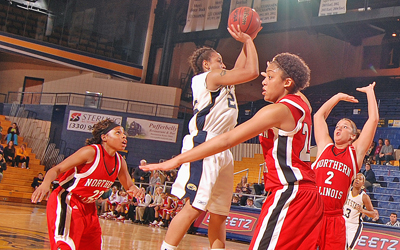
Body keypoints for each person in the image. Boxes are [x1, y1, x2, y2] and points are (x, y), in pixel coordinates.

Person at [142, 52, 324, 250]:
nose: (264, 82)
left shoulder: (276, 111)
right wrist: (273, 69)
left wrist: (176, 161)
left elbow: (227, 140)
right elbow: (297, 84)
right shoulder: (303, 104)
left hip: (289, 192)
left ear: (287, 82)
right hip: (309, 194)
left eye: (269, 77)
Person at [139, 23, 260, 250]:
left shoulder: (221, 79)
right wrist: (248, 41)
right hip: (205, 142)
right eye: (219, 61)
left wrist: (248, 37)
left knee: (219, 213)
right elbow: (250, 71)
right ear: (206, 64)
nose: (223, 66)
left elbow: (241, 67)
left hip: (223, 147)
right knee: (193, 207)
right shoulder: (207, 78)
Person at [30, 119, 142, 250]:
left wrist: (135, 189)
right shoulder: (91, 152)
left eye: (124, 134)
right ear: (104, 137)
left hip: (89, 207)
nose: (123, 136)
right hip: (68, 200)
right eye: (118, 133)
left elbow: (129, 186)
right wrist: (45, 183)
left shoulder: (120, 162)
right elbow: (58, 169)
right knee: (65, 246)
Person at [312, 82, 378, 250]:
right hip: (312, 214)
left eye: (345, 126)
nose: (338, 128)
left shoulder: (354, 153)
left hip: (334, 218)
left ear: (353, 136)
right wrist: (337, 97)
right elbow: (318, 117)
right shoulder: (324, 145)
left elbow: (374, 119)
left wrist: (370, 92)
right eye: (338, 125)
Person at [343, 173, 375, 250]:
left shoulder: (364, 197)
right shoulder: (347, 190)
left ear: (363, 183)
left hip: (354, 225)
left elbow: (373, 214)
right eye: (356, 178)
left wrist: (362, 210)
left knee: (349, 248)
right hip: (342, 222)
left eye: (360, 179)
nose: (357, 180)